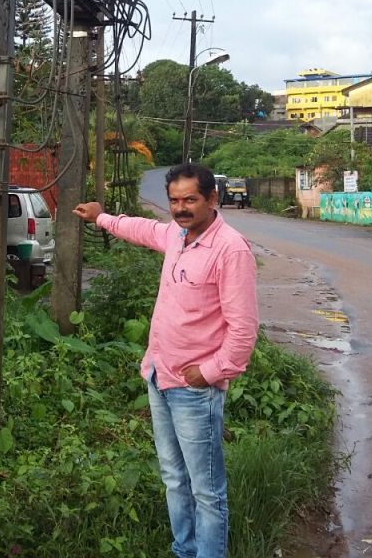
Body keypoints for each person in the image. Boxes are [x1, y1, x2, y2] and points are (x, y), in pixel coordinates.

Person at [73, 163, 258, 558]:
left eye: (190, 199)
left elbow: (243, 332)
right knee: (174, 477)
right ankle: (184, 550)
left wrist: (208, 373)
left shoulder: (230, 249)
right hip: (159, 374)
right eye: (174, 200)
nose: (180, 208)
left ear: (212, 199)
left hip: (195, 389)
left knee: (206, 490)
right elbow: (142, 229)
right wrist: (101, 216)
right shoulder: (177, 236)